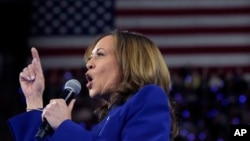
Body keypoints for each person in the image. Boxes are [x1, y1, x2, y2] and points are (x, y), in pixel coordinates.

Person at [8, 29, 179, 141]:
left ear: (130, 62)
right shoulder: (101, 125)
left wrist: (64, 126)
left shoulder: (150, 97)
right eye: (89, 58)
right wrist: (34, 99)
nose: (89, 64)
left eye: (100, 54)